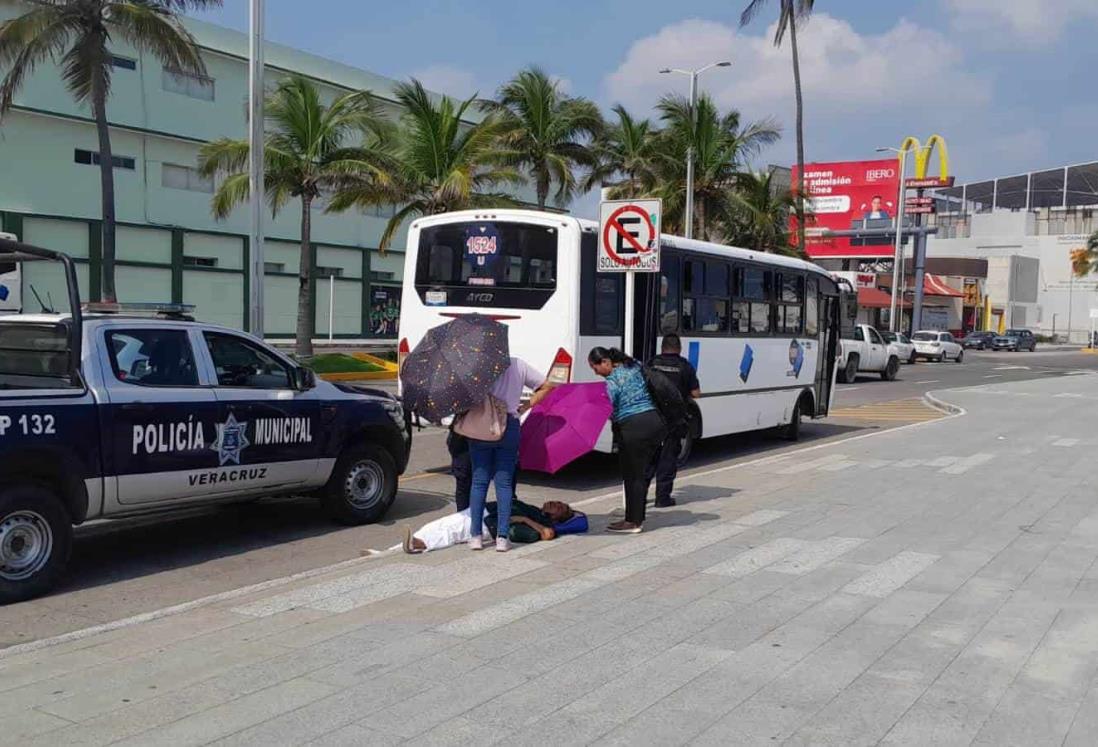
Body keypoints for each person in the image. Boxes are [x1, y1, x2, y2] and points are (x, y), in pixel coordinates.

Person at [467, 357, 552, 552]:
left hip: (482, 425)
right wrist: (525, 406)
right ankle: (503, 538)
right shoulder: (518, 365)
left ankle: (476, 537)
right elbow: (547, 386)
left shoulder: (477, 365)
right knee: (504, 483)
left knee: (479, 482)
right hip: (510, 424)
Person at [588, 347, 666, 534]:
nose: (595, 372)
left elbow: (607, 407)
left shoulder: (613, 381)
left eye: (595, 367)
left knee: (633, 475)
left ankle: (633, 522)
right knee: (641, 473)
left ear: (605, 362)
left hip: (634, 427)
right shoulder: (634, 365)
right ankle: (636, 516)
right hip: (655, 422)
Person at [390, 499, 586, 554]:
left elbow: (548, 534)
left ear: (557, 518)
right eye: (559, 502)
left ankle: (417, 545)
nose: (557, 503)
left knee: (451, 532)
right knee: (439, 524)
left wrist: (523, 520)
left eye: (561, 508)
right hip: (484, 510)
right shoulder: (537, 510)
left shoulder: (544, 522)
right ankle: (390, 550)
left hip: (486, 522)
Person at [646, 333, 701, 507]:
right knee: (668, 459)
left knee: (648, 460)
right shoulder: (685, 366)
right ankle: (662, 498)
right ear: (679, 348)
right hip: (674, 420)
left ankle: (640, 497)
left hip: (652, 417)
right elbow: (695, 393)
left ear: (662, 347)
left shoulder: (652, 363)